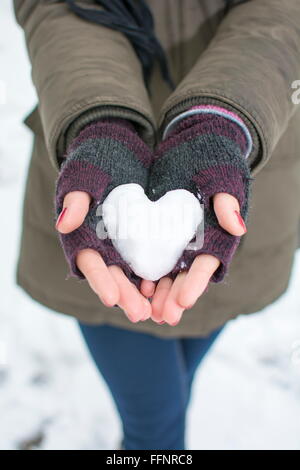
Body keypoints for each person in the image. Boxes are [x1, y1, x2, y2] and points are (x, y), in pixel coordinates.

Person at [13, 0, 300, 450]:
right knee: (155, 427)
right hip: (89, 171)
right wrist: (100, 121)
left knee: (177, 391)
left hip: (242, 164)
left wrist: (219, 122)